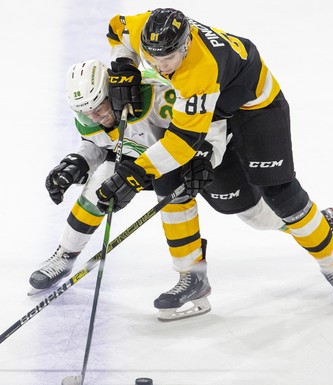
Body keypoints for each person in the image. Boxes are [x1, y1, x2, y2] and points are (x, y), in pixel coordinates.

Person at [94, 8, 333, 311]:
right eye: (152, 57)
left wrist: (133, 173)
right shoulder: (147, 29)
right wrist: (126, 63)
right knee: (172, 182)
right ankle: (191, 275)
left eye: (167, 59)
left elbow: (181, 144)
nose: (158, 65)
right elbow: (117, 29)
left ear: (185, 45)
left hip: (254, 105)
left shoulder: (200, 69)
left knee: (280, 194)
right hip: (208, 107)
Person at [29, 58, 290, 320]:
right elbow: (99, 143)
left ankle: (308, 223)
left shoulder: (157, 96)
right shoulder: (88, 113)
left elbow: (209, 122)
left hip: (203, 154)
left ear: (111, 91)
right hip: (146, 160)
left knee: (258, 216)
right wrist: (77, 163)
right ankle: (67, 254)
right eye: (86, 112)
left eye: (99, 107)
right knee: (102, 182)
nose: (94, 117)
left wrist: (204, 157)